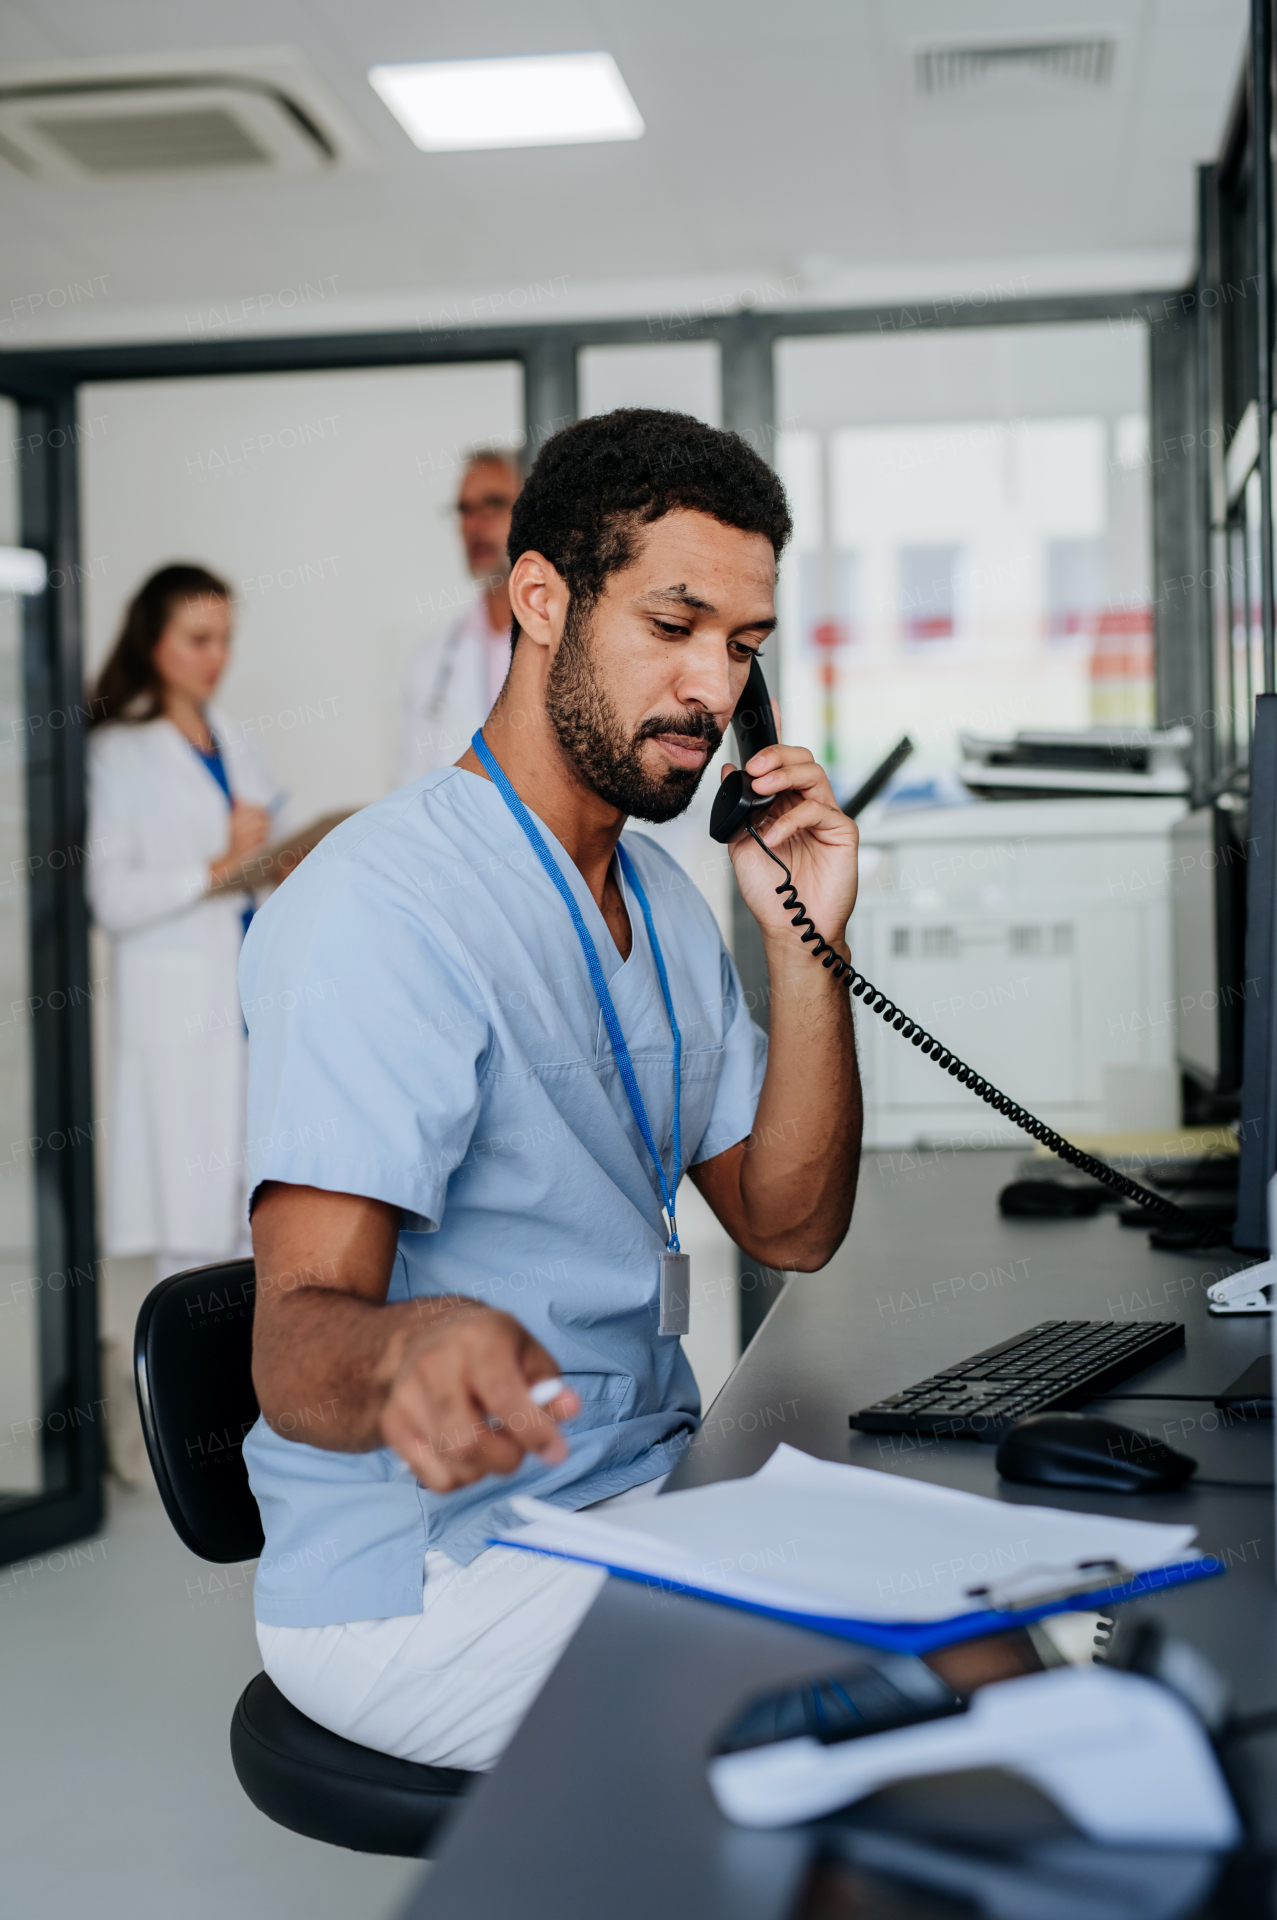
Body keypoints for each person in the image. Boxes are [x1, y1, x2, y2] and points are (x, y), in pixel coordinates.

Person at [242, 409, 862, 1772]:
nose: (711, 687)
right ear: (541, 601)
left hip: (631, 1491)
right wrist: (409, 1349)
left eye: (742, 649)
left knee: (984, 1619)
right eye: (674, 624)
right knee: (883, 1687)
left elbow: (791, 1223)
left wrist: (805, 942)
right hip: (429, 1571)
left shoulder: (664, 902)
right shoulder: (383, 908)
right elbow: (292, 1341)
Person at [87, 564, 280, 1283]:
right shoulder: (118, 753)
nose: (217, 658)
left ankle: (256, 1396)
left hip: (239, 994)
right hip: (178, 1009)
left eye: (226, 639)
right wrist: (215, 869)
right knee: (192, 1232)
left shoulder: (230, 735)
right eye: (199, 639)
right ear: (153, 644)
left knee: (250, 1217)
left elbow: (252, 850)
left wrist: (273, 858)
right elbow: (111, 897)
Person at [395, 446, 523, 785]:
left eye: (493, 504)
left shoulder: (578, 643)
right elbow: (408, 796)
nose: (473, 525)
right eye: (464, 510)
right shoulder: (429, 662)